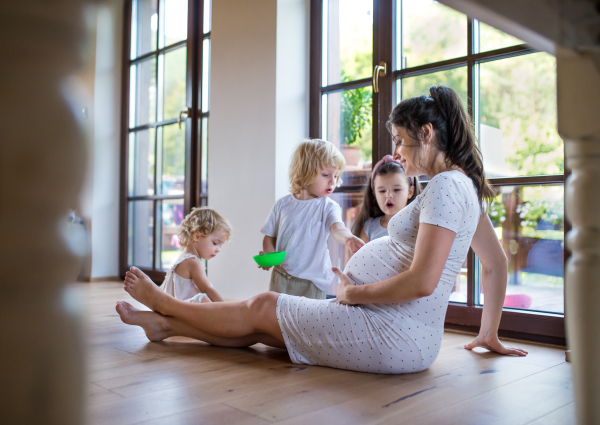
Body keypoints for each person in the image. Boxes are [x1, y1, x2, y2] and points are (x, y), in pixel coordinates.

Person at [117, 85, 527, 374]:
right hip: (393, 330)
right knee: (265, 327)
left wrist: (353, 293)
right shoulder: (462, 188)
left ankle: (167, 305)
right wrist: (488, 333)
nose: (398, 154)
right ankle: (165, 325)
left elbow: (423, 282)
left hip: (391, 333)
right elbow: (493, 265)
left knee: (262, 306)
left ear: (428, 134)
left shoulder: (446, 186)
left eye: (402, 142)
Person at [258, 139, 365, 299]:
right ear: (305, 171)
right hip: (281, 277)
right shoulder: (282, 205)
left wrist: (348, 238)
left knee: (307, 322)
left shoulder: (328, 207)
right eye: (326, 175)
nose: (332, 181)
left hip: (312, 282)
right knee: (276, 320)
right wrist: (269, 254)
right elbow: (269, 237)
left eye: (336, 176)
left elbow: (337, 228)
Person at [158, 207, 231, 303]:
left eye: (220, 246)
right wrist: (226, 307)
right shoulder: (193, 262)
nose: (218, 250)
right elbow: (207, 289)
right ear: (196, 236)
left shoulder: (182, 257)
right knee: (204, 299)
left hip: (174, 306)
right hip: (180, 310)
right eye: (215, 243)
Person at [351, 155, 421, 243]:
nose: (388, 195)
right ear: (374, 193)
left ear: (410, 192)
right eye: (382, 191)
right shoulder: (369, 227)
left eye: (396, 190)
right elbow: (360, 256)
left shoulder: (419, 225)